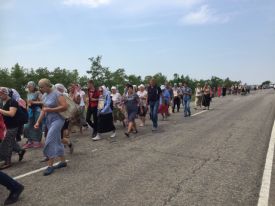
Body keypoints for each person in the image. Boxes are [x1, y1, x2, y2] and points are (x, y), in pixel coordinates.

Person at [34, 79, 68, 176]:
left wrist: (51, 109)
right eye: (39, 87)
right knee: (57, 140)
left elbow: (64, 106)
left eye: (41, 87)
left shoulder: (57, 93)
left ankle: (50, 166)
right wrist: (38, 122)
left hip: (58, 120)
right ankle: (63, 161)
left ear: (47, 85)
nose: (40, 89)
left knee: (49, 140)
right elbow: (44, 110)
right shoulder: (44, 96)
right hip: (49, 121)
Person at [0, 87, 26, 170]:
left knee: (7, 143)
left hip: (13, 125)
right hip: (5, 125)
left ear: (5, 93)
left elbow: (11, 114)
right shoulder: (2, 102)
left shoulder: (12, 102)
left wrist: (0, 110)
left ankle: (7, 162)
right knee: (10, 140)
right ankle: (20, 151)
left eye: (0, 93)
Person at [23, 81, 43, 149]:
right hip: (30, 111)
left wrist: (33, 102)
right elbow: (28, 103)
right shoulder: (28, 93)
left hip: (37, 110)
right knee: (27, 126)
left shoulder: (38, 92)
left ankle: (37, 141)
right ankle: (30, 140)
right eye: (28, 86)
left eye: (30, 86)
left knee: (37, 125)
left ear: (34, 86)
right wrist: (27, 109)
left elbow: (43, 101)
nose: (29, 87)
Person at [55, 83, 74, 154]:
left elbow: (70, 106)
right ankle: (66, 143)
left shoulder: (64, 95)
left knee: (63, 131)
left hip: (64, 116)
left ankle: (67, 143)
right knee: (62, 132)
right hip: (61, 116)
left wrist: (69, 115)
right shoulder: (62, 95)